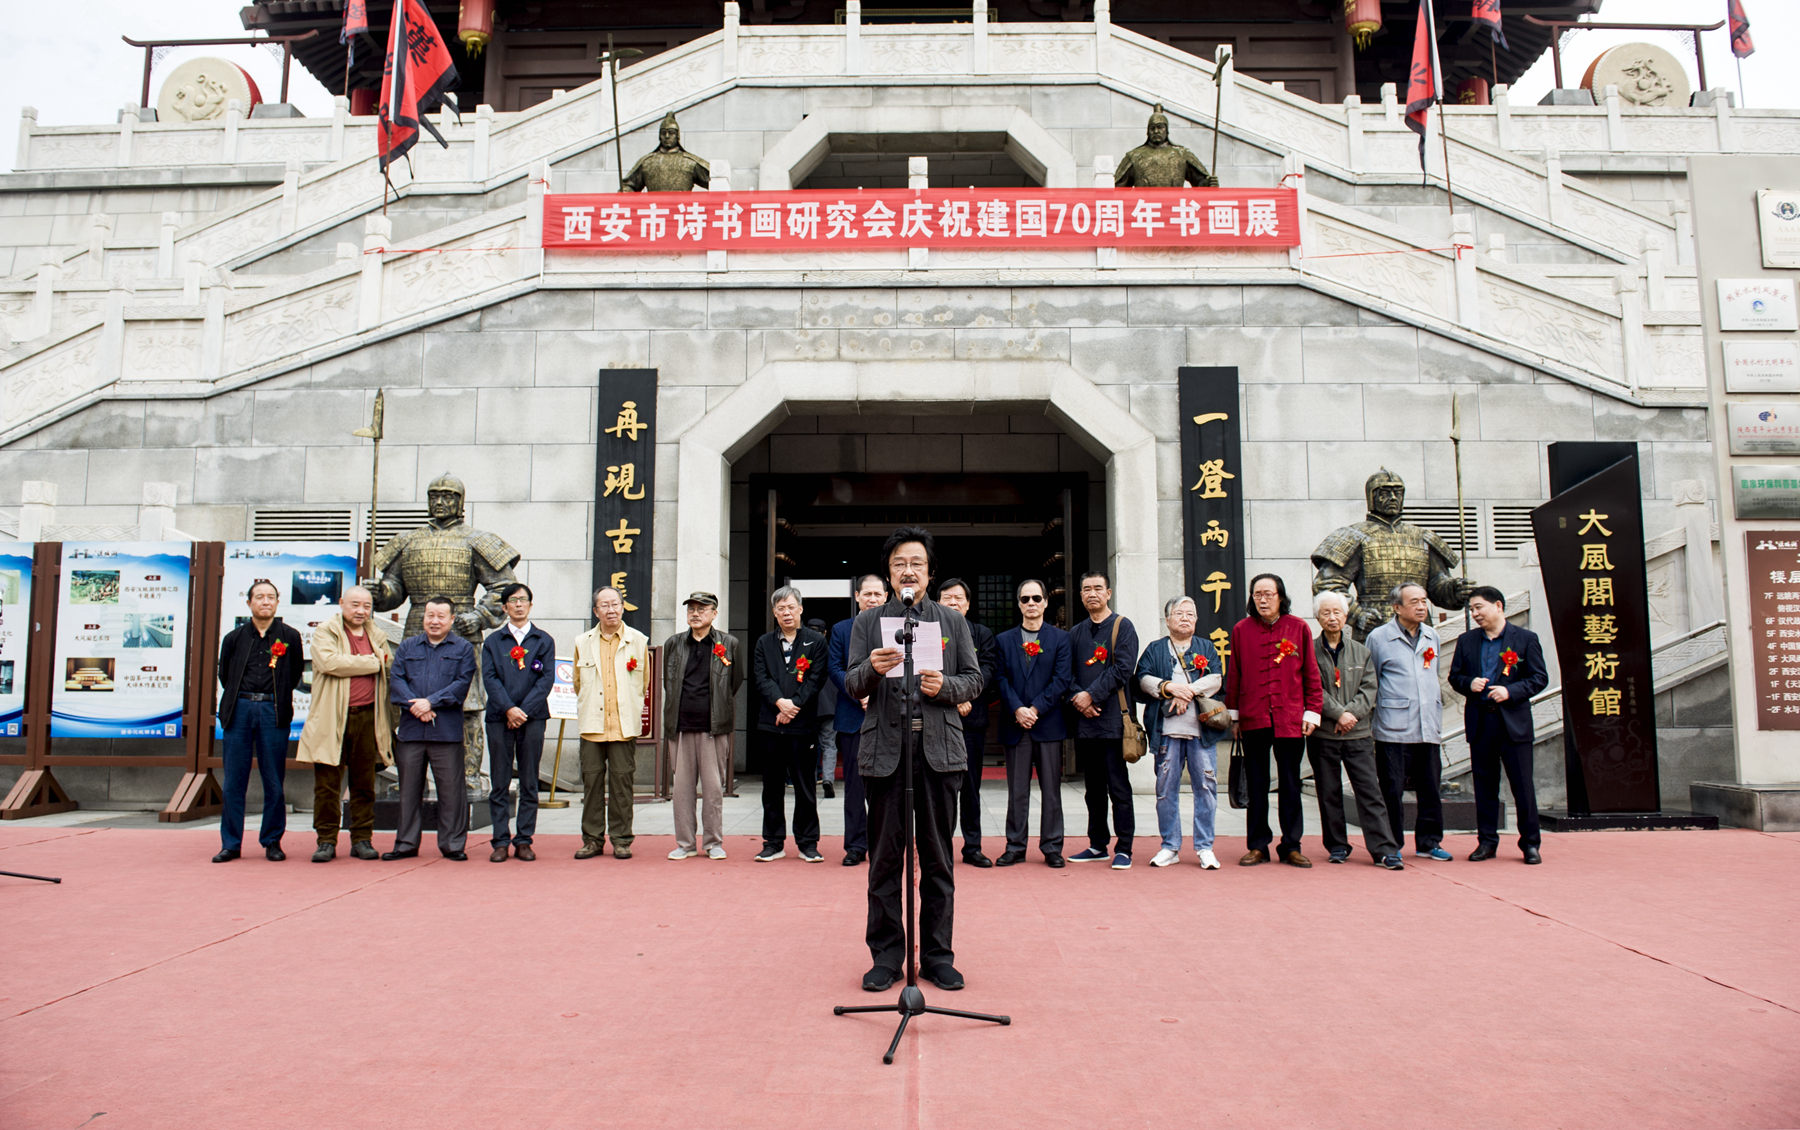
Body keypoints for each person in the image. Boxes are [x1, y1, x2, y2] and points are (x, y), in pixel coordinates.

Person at [844, 526, 984, 992]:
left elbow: (973, 679)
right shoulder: (868, 622)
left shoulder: (951, 620)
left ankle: (938, 956)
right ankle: (886, 956)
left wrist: (945, 687)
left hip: (938, 750)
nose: (908, 570)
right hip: (885, 752)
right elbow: (851, 684)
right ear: (889, 573)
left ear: (929, 572)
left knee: (938, 858)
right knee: (885, 859)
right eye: (900, 563)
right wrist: (872, 669)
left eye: (917, 563)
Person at [1225, 573, 1321, 868]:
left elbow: (1311, 674)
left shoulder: (1299, 628)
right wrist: (1234, 715)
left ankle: (1291, 845)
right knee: (1256, 785)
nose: (1263, 599)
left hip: (1290, 718)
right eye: (1257, 594)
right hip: (1254, 718)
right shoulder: (1241, 630)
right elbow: (1235, 674)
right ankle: (1257, 845)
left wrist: (1312, 710)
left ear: (1281, 596)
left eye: (1268, 594)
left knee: (1290, 784)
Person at [1311, 468, 1473, 641]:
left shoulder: (1422, 537)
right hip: (1375, 628)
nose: (1393, 498)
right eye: (1385, 493)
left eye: (1397, 493)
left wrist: (1454, 590)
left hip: (1418, 626)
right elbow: (1327, 585)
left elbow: (1436, 584)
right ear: (1371, 497)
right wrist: (1357, 614)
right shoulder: (1354, 535)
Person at [1448, 586, 1549, 865]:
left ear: (1499, 606)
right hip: (1481, 722)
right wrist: (1469, 683)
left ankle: (1530, 844)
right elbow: (1455, 677)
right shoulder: (1467, 641)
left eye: (1479, 607)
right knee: (1484, 786)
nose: (1475, 613)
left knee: (1522, 787)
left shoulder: (1525, 639)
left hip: (1513, 724)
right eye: (1472, 609)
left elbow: (1540, 678)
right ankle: (1487, 842)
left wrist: (1511, 692)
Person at [1309, 591, 1404, 870]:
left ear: (1346, 615)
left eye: (1337, 612)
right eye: (1326, 612)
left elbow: (1369, 689)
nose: (1332, 617)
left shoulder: (1362, 652)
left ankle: (1384, 849)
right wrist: (1339, 713)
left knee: (1369, 792)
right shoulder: (1309, 652)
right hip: (1324, 734)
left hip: (1359, 734)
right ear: (1318, 617)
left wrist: (1351, 714)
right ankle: (1337, 845)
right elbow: (1314, 689)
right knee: (1329, 792)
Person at [296, 586, 391, 863]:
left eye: (366, 606)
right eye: (355, 605)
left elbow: (388, 663)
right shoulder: (327, 631)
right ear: (341, 604)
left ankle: (362, 838)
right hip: (331, 718)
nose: (361, 611)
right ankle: (326, 840)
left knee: (364, 782)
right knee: (327, 784)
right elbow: (329, 663)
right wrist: (371, 662)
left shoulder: (377, 634)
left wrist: (366, 662)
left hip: (368, 717)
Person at [213, 579, 304, 863]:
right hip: (239, 708)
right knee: (234, 780)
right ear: (249, 602)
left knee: (274, 779)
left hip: (272, 710)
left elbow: (294, 674)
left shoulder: (290, 636)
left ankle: (272, 840)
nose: (265, 602)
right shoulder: (234, 638)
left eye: (271, 597)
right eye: (260, 597)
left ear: (277, 603)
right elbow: (225, 675)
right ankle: (231, 843)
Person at [1133, 596, 1225, 869]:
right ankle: (1170, 846)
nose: (1186, 618)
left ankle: (1205, 846)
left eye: (1191, 614)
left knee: (1206, 788)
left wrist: (1188, 691)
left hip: (1201, 733)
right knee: (1165, 790)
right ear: (1168, 619)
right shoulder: (1156, 648)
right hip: (1167, 732)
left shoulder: (1206, 647)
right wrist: (1169, 688)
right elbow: (1142, 679)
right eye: (1180, 613)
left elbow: (1217, 678)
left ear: (1196, 620)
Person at [383, 595, 477, 861]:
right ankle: (405, 843)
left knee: (451, 791)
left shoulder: (462, 649)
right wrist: (418, 707)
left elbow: (460, 686)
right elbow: (397, 680)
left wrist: (430, 702)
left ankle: (452, 844)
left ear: (451, 620)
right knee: (409, 789)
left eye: (440, 616)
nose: (434, 621)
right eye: (430, 616)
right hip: (412, 730)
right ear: (423, 617)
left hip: (445, 731)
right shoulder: (408, 646)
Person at [1366, 582, 1450, 862]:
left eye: (1424, 601)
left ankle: (1429, 842)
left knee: (1430, 788)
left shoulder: (1432, 636)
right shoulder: (1379, 638)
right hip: (1393, 726)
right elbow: (1372, 679)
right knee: (1391, 789)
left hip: (1427, 724)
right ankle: (1391, 844)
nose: (1421, 606)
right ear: (1397, 607)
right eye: (1414, 602)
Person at [661, 592, 744, 861]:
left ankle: (713, 842)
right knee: (682, 791)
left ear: (714, 613)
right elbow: (668, 683)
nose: (695, 613)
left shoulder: (728, 643)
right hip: (681, 726)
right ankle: (684, 843)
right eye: (692, 609)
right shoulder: (674, 644)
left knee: (712, 789)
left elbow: (735, 681)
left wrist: (716, 708)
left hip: (713, 727)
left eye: (702, 609)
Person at [1066, 571, 1140, 870]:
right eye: (1086, 589)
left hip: (1114, 722)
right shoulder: (1076, 632)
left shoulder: (1123, 627)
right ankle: (1098, 844)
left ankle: (1124, 847)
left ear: (1108, 593)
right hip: (1086, 723)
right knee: (1093, 788)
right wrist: (1078, 698)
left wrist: (1091, 696)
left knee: (1118, 787)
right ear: (1081, 595)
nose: (1092, 593)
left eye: (1098, 588)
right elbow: (1066, 673)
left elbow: (1123, 669)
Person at [994, 578, 1070, 868]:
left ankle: (1052, 846)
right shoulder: (1003, 640)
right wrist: (1017, 709)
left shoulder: (1060, 639)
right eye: (1025, 599)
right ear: (1018, 604)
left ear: (1046, 602)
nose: (1031, 604)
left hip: (1047, 723)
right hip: (1016, 725)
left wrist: (1035, 708)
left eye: (1036, 598)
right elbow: (1000, 679)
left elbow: (1061, 680)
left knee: (1051, 789)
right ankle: (1015, 845)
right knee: (1017, 791)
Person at [572, 586, 650, 860]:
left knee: (622, 784)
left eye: (615, 604)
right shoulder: (583, 642)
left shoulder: (638, 640)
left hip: (622, 725)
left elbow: (644, 683)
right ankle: (592, 839)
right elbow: (577, 683)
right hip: (593, 725)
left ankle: (621, 839)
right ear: (596, 611)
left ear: (622, 606)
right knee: (591, 784)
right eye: (604, 605)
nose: (611, 609)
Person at [752, 586, 828, 863]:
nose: (786, 612)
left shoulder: (815, 642)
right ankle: (773, 842)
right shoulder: (764, 642)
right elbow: (761, 678)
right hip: (770, 724)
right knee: (771, 787)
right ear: (774, 613)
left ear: (800, 609)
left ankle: (808, 843)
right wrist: (780, 703)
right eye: (780, 608)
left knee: (805, 785)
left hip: (802, 724)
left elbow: (816, 679)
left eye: (790, 607)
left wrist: (793, 705)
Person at [480, 583, 555, 863]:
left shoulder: (543, 640)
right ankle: (500, 840)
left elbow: (545, 679)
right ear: (504, 607)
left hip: (533, 718)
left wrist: (523, 710)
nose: (519, 605)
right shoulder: (494, 642)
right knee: (500, 780)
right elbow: (490, 679)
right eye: (513, 601)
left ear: (531, 605)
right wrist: (509, 708)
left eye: (524, 600)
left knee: (528, 780)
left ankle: (524, 839)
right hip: (500, 719)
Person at [936, 577, 999, 868]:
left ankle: (972, 847)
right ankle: (940, 848)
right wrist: (952, 697)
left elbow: (987, 669)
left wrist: (965, 694)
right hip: (939, 718)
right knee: (941, 790)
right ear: (938, 603)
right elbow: (927, 670)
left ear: (968, 604)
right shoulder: (927, 631)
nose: (953, 603)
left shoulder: (981, 634)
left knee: (971, 788)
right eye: (947, 598)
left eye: (958, 598)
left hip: (971, 719)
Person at [828, 575, 889, 866]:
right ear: (857, 596)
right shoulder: (842, 629)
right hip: (854, 715)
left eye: (878, 593)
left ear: (887, 597)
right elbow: (835, 668)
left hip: (887, 716)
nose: (873, 598)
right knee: (854, 786)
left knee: (887, 788)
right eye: (867, 593)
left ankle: (885, 844)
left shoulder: (895, 628)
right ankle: (855, 845)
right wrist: (859, 693)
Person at [809, 617, 837, 800]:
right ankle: (828, 779)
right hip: (830, 705)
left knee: (809, 745)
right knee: (829, 745)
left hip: (809, 705)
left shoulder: (804, 650)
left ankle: (809, 782)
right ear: (825, 633)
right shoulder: (831, 651)